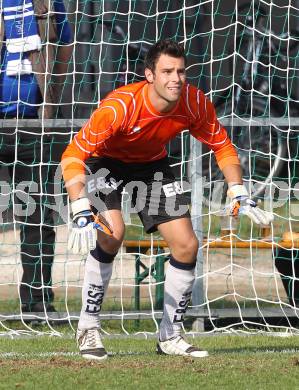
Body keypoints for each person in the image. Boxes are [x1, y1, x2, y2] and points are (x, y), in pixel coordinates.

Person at [61, 40, 273, 359]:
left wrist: (238, 189)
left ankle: (169, 336)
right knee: (112, 234)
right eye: (167, 71)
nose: (176, 78)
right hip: (104, 163)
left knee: (187, 245)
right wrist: (79, 206)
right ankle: (88, 328)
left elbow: (223, 146)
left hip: (152, 166)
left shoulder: (194, 102)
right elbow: (73, 155)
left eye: (181, 71)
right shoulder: (119, 106)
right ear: (149, 75)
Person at [0, 0, 72, 312]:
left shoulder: (52, 4)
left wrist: (50, 102)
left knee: (39, 216)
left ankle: (37, 302)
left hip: (35, 124)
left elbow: (66, 49)